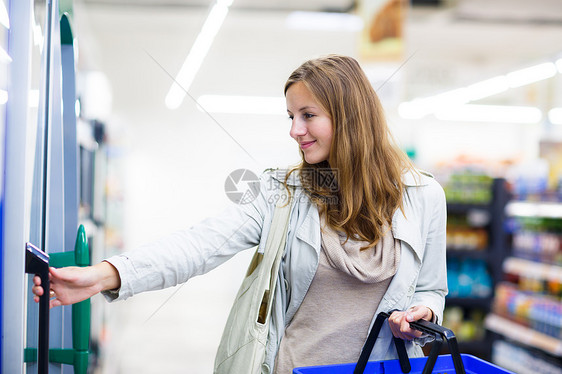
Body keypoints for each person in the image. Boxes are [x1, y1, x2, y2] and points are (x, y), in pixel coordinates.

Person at [33, 54, 447, 373]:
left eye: (308, 116)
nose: (294, 131)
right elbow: (201, 243)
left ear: (350, 117)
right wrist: (106, 273)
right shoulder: (283, 193)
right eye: (291, 116)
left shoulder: (424, 197)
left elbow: (432, 289)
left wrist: (421, 313)